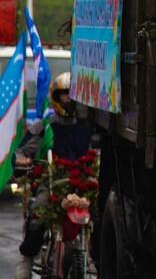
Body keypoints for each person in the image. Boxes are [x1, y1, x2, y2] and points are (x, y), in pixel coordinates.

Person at [14, 73, 93, 279]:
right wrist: (22, 160)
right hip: (52, 184)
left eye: (71, 96)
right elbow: (21, 151)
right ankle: (27, 258)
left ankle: (94, 258)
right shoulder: (45, 126)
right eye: (64, 95)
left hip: (81, 187)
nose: (67, 100)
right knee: (38, 213)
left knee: (100, 217)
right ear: (55, 98)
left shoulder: (87, 129)